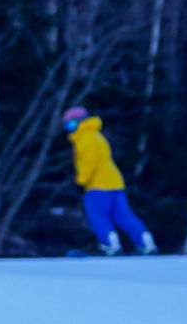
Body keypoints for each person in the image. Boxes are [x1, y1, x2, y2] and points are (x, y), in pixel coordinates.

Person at [64, 107, 157, 255]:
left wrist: (81, 181)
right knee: (124, 216)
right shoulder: (97, 135)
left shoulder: (85, 137)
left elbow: (90, 162)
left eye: (70, 125)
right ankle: (146, 242)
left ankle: (109, 245)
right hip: (114, 183)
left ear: (79, 122)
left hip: (97, 185)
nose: (69, 130)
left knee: (98, 216)